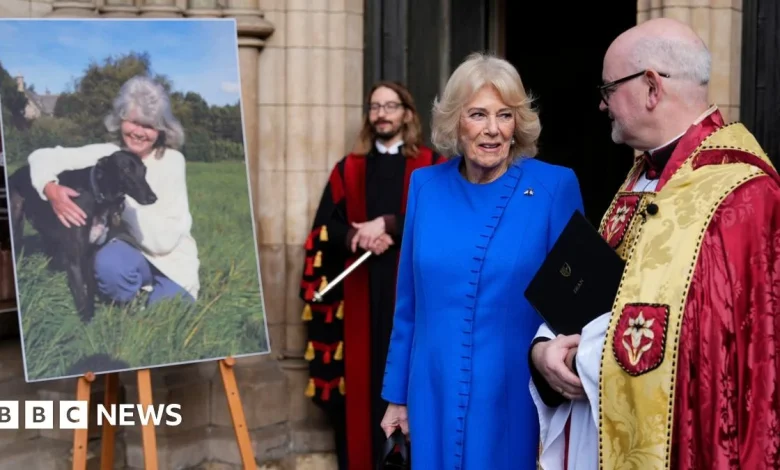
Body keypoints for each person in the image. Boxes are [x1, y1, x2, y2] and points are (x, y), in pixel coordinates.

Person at [529, 18, 780, 470]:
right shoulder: (640, 178)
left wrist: (578, 355)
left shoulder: (742, 194)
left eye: (608, 89)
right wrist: (542, 349)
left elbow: (712, 345)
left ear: (650, 87)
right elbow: (593, 287)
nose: (603, 106)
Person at [379, 52, 585, 469]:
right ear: (456, 121)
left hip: (514, 394)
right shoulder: (425, 185)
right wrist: (396, 397)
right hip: (432, 389)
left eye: (505, 115)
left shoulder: (554, 186)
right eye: (478, 114)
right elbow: (408, 306)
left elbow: (578, 306)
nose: (493, 130)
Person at [298, 81, 444, 469]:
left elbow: (449, 218)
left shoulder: (431, 165)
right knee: (366, 381)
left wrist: (389, 225)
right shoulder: (349, 169)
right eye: (375, 107)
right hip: (360, 294)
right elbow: (322, 229)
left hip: (411, 292)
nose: (381, 113)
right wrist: (357, 236)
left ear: (407, 114)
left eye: (390, 106)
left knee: (411, 377)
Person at [27, 75, 200, 307]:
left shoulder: (172, 161)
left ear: (161, 130)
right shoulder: (108, 155)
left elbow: (163, 243)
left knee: (166, 314)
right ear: (120, 121)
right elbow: (41, 156)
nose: (139, 132)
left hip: (171, 262)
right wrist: (50, 188)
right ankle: (129, 298)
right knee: (110, 265)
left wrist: (122, 202)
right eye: (133, 122)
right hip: (127, 254)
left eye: (148, 126)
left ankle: (152, 297)